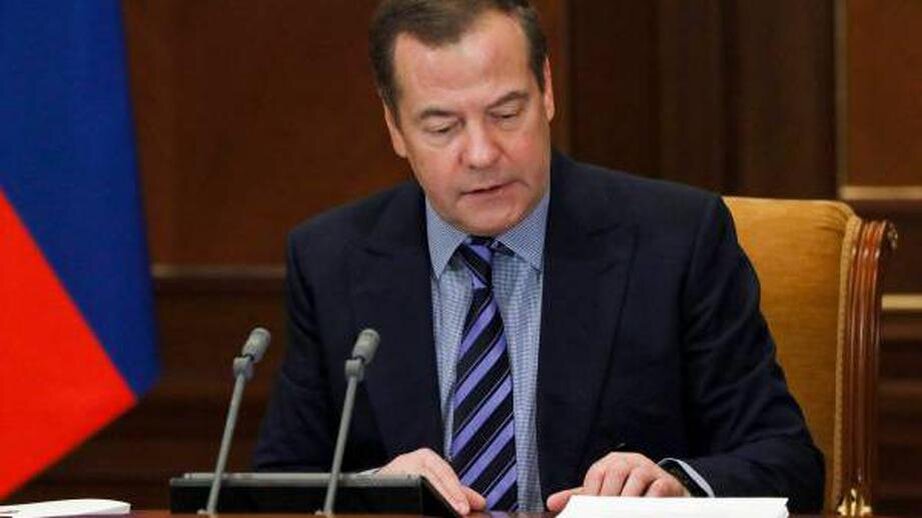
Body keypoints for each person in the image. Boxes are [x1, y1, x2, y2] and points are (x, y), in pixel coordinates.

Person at [253, 0, 824, 514]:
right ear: (395, 127)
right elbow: (274, 489)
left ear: (546, 89)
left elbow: (788, 462)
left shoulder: (677, 240)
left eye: (506, 114)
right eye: (443, 127)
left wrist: (676, 487)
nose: (482, 154)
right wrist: (372, 492)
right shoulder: (331, 260)